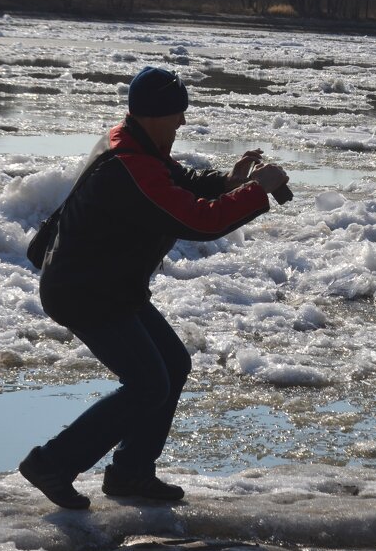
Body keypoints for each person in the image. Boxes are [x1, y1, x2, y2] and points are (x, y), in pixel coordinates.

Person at [19, 65, 289, 510]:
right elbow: (197, 220)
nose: (182, 122)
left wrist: (231, 181)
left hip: (109, 285)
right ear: (151, 116)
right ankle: (53, 463)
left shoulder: (137, 146)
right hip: (84, 291)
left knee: (172, 365)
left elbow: (179, 186)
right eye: (176, 114)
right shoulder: (128, 166)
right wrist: (258, 192)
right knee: (147, 384)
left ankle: (130, 473)